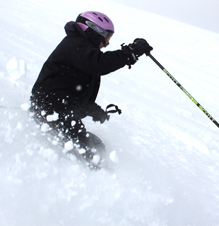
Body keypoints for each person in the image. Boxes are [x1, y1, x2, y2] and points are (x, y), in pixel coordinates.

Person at [29, 11, 153, 169]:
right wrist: (129, 52)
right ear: (95, 31)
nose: (106, 44)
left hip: (58, 109)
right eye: (107, 37)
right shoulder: (75, 44)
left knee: (97, 146)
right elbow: (99, 64)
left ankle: (98, 175)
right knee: (91, 154)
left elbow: (70, 88)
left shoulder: (81, 49)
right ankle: (93, 179)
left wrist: (90, 108)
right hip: (50, 108)